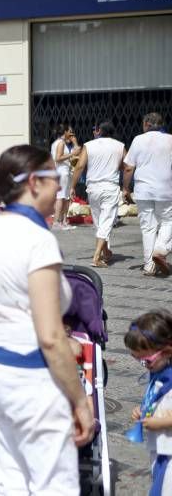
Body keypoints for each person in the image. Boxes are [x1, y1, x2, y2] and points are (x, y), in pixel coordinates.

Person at [0, 145, 94, 494]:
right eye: (55, 180)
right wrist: (81, 402)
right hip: (30, 375)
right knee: (54, 482)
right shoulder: (37, 240)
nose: (60, 190)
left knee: (11, 478)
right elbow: (50, 335)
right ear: (35, 182)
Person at [125, 310, 172, 496]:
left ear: (167, 351)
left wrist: (160, 422)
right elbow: (158, 400)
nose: (143, 365)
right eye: (137, 359)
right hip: (162, 447)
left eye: (146, 361)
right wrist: (143, 410)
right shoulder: (159, 372)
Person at [70, 121, 125, 268]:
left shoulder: (89, 145)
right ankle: (96, 257)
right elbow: (126, 166)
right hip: (110, 187)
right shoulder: (120, 146)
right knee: (106, 222)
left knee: (99, 222)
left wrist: (72, 186)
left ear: (99, 131)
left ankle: (106, 252)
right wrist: (126, 186)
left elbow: (80, 166)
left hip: (93, 188)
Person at [123, 112, 172, 276]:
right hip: (166, 189)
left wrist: (125, 188)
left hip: (143, 190)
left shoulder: (138, 140)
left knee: (148, 227)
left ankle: (149, 266)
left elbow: (129, 167)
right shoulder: (170, 139)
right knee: (168, 221)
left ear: (147, 124)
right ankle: (161, 249)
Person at [50, 123, 80, 230]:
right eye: (70, 131)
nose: (71, 133)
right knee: (61, 197)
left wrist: (74, 146)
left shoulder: (57, 143)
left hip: (62, 171)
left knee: (64, 197)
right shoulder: (61, 143)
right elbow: (58, 158)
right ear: (65, 132)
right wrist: (72, 154)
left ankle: (62, 221)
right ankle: (56, 222)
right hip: (62, 172)